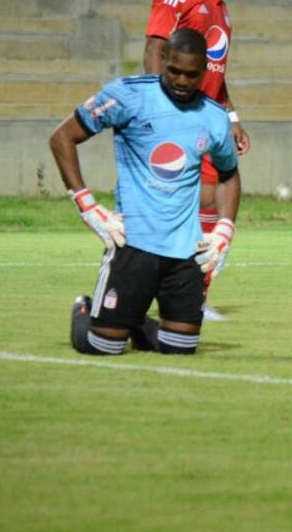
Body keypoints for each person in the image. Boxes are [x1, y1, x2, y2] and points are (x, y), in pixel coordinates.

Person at [51, 29, 241, 356]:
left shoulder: (214, 117)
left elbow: (229, 174)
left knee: (179, 348)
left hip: (186, 251)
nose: (181, 80)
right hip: (133, 243)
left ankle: (135, 321)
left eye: (191, 74)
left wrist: (225, 229)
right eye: (174, 70)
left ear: (204, 72)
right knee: (102, 345)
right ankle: (84, 308)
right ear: (163, 59)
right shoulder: (129, 96)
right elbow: (62, 137)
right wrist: (87, 206)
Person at [144, 0, 249, 321]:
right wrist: (159, 112)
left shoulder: (220, 8)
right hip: (178, 117)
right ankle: (148, 288)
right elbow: (154, 50)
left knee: (211, 201)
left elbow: (214, 72)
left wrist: (232, 116)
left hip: (209, 119)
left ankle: (193, 299)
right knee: (177, 206)